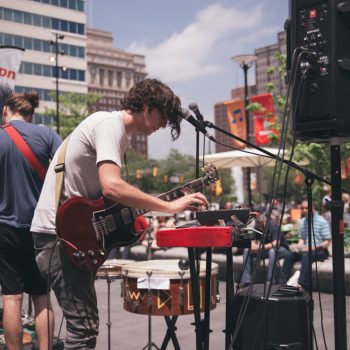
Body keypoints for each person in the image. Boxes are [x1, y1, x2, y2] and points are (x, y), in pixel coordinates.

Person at [30, 78, 209, 349]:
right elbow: (111, 185)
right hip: (58, 236)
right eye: (163, 117)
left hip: (73, 234)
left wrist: (130, 219)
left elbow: (104, 199)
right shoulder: (110, 125)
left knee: (83, 327)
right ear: (147, 107)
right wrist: (170, 206)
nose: (162, 126)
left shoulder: (117, 134)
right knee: (83, 330)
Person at [0, 92, 61, 350]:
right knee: (41, 298)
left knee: (11, 299)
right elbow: (66, 169)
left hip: (4, 228)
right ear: (31, 114)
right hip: (41, 228)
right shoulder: (47, 135)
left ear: (5, 111)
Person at [281, 200, 331, 289]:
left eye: (306, 208)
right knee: (289, 255)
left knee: (306, 255)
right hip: (306, 249)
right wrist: (298, 247)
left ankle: (302, 283)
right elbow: (302, 239)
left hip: (319, 250)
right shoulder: (303, 221)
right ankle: (283, 282)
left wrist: (311, 248)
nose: (304, 210)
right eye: (302, 208)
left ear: (313, 208)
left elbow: (327, 241)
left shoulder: (322, 221)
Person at [240, 215, 290, 286]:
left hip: (282, 249)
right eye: (258, 224)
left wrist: (259, 247)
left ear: (266, 222)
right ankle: (246, 280)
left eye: (261, 224)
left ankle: (270, 281)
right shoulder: (257, 227)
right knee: (246, 250)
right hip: (266, 249)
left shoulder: (274, 226)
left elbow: (276, 243)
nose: (259, 227)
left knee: (272, 251)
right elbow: (253, 240)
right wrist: (253, 246)